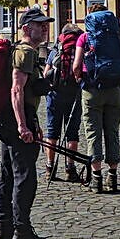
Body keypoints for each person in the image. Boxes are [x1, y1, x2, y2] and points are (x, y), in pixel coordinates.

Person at [0, 7, 53, 239]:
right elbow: (17, 89)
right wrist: (23, 125)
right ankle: (22, 231)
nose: (44, 27)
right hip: (17, 117)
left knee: (8, 173)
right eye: (40, 24)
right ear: (27, 28)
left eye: (45, 24)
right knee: (24, 177)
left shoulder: (21, 51)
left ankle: (5, 228)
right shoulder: (25, 52)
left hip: (8, 116)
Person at [72, 3, 120, 193]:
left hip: (92, 89)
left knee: (93, 133)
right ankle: (113, 177)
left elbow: (76, 65)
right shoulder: (115, 37)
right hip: (114, 90)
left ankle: (96, 178)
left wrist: (79, 78)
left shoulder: (85, 37)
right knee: (112, 131)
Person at [42, 24, 83, 182]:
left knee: (52, 133)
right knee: (72, 134)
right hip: (74, 96)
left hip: (55, 95)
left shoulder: (57, 48)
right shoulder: (81, 49)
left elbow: (46, 74)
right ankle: (70, 169)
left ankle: (49, 168)